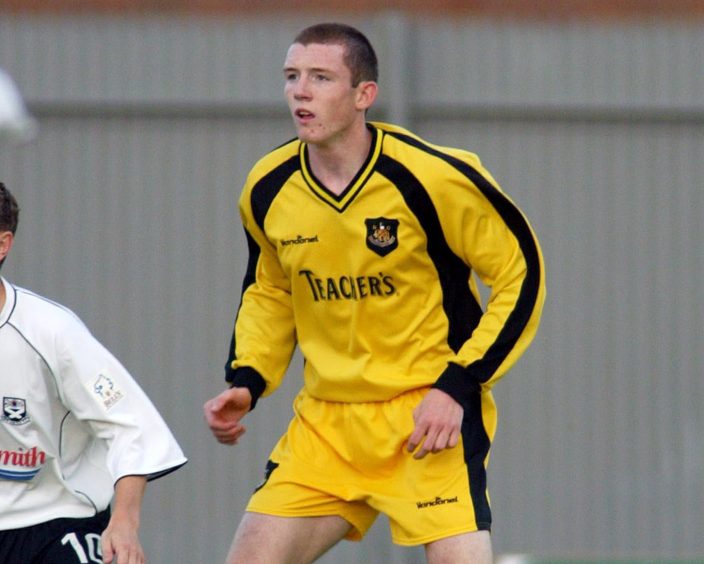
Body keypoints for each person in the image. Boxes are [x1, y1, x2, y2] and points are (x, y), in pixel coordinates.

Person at [204, 22, 545, 564]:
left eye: (321, 77)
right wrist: (248, 379)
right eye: (292, 76)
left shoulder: (434, 178)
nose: (300, 91)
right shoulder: (267, 186)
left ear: (365, 95)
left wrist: (459, 386)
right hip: (327, 424)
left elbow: (520, 274)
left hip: (427, 415)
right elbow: (270, 290)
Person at [0, 182, 187, 563]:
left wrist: (124, 522)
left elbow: (129, 427)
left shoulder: (50, 331)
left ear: (2, 244)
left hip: (55, 525)